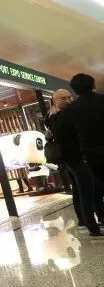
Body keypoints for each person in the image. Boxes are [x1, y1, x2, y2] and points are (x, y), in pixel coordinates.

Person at [49, 87, 104, 237]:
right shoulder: (57, 118)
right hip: (74, 159)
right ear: (54, 101)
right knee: (87, 190)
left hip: (77, 158)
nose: (68, 101)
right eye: (63, 98)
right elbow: (70, 139)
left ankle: (88, 221)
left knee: (87, 189)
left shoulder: (66, 115)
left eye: (69, 97)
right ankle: (92, 226)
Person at [65, 74, 104, 190]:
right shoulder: (102, 100)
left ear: (75, 90)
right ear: (93, 85)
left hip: (90, 156)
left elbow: (69, 134)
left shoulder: (70, 109)